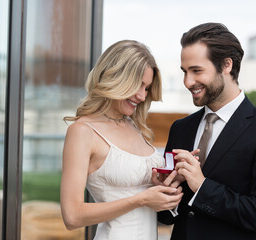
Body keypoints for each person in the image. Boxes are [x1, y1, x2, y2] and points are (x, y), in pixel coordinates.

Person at [152, 23, 256, 240]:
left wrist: (202, 187)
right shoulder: (181, 128)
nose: (188, 82)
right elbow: (167, 217)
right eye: (184, 72)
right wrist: (166, 192)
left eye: (197, 70)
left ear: (226, 65)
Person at [60, 40, 183, 240]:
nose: (143, 96)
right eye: (139, 85)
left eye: (147, 88)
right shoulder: (82, 132)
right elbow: (72, 216)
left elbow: (143, 195)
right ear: (117, 78)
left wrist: (165, 184)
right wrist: (141, 200)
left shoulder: (136, 127)